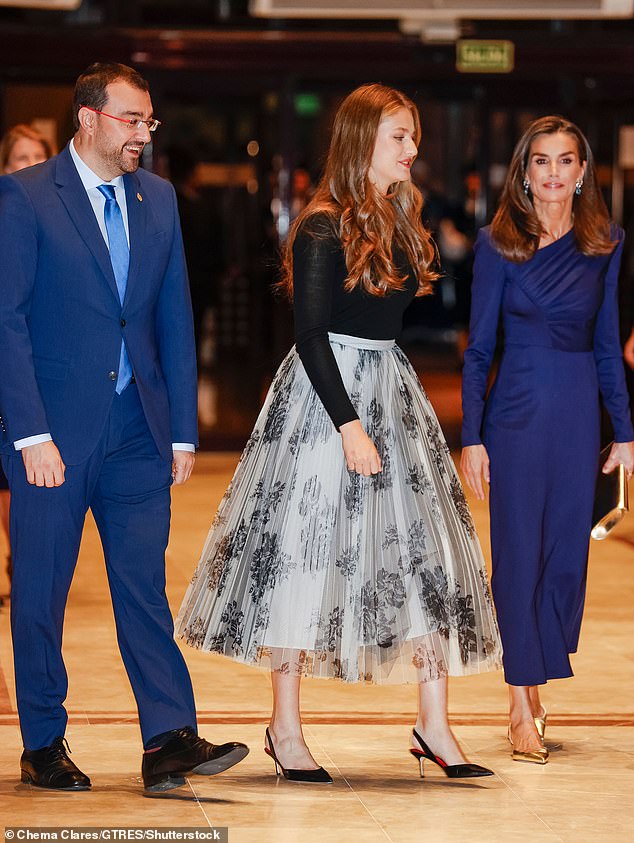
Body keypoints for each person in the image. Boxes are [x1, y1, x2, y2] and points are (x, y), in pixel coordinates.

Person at [176, 84, 501, 783]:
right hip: (328, 400)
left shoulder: (401, 217)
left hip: (391, 387)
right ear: (362, 143)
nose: (414, 149)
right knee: (303, 556)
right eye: (400, 137)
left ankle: (434, 722)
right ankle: (284, 728)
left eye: (414, 136)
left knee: (422, 556)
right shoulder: (323, 224)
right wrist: (348, 424)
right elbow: (310, 335)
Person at [0, 62, 248, 793]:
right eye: (131, 120)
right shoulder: (25, 196)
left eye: (148, 122)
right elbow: (6, 321)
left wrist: (178, 433)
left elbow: (172, 312)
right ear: (88, 118)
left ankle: (168, 736)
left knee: (141, 585)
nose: (143, 133)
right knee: (41, 592)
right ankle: (43, 740)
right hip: (52, 436)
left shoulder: (159, 198)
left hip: (137, 429)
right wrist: (28, 433)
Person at [460, 116, 634, 765]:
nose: (554, 173)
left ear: (584, 172)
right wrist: (472, 435)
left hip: (577, 411)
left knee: (566, 555)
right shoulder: (497, 243)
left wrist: (625, 430)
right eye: (542, 161)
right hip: (518, 410)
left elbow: (609, 346)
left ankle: (537, 673)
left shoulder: (604, 243)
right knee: (518, 554)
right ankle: (519, 699)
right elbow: (478, 349)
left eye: (566, 161)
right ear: (524, 172)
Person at [0, 124, 55, 592]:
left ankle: (22, 559)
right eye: (20, 157)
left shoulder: (61, 218)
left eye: (38, 155)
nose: (29, 164)